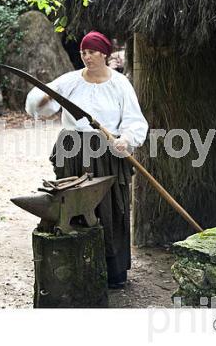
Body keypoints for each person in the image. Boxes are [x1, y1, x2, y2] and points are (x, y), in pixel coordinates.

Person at [25, 31, 148, 289]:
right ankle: (77, 270)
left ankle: (113, 272)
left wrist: (125, 139)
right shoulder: (70, 80)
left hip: (106, 151)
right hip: (72, 149)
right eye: (83, 52)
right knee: (72, 204)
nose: (86, 56)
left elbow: (135, 120)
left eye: (91, 52)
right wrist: (44, 99)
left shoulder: (120, 84)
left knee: (111, 206)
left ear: (103, 53)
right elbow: (38, 103)